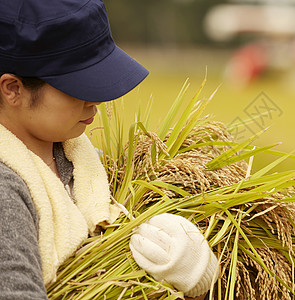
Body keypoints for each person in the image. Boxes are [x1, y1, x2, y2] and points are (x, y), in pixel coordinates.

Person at [0, 1, 218, 299]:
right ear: (13, 88)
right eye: (79, 86)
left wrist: (195, 279)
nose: (96, 102)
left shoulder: (84, 163)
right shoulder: (5, 192)